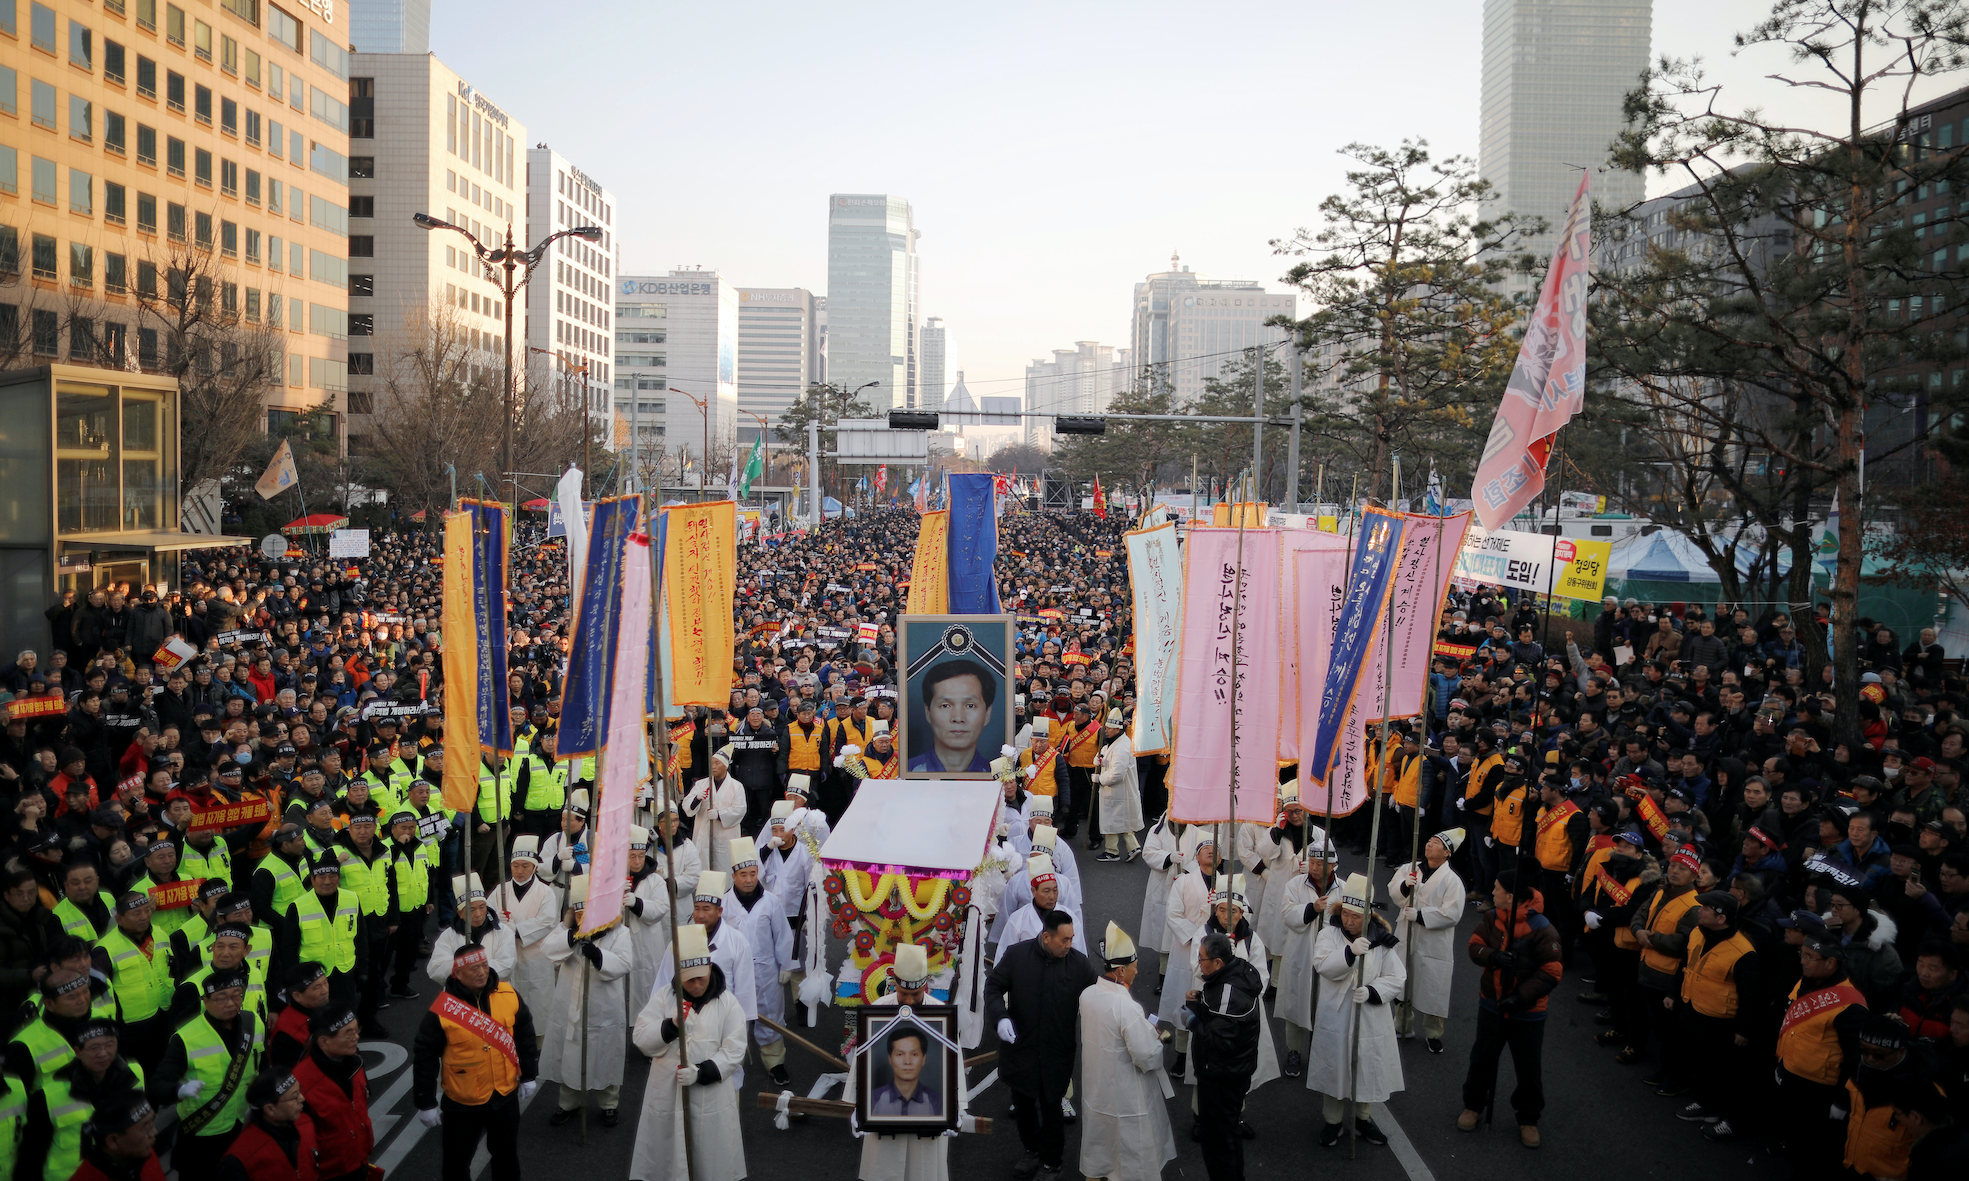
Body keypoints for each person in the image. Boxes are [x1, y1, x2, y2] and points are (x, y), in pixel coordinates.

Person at [985, 907, 1099, 1181]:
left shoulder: (1079, 964)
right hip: (1021, 1049)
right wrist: (1000, 1018)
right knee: (1023, 1106)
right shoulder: (1016, 955)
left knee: (1052, 1109)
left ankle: (1052, 1162)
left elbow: (1099, 995)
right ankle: (1032, 1150)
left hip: (1056, 1052)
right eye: (1064, 940)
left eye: (1072, 938)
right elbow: (993, 987)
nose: (1070, 945)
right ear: (1046, 937)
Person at [411, 942, 540, 1181]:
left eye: (483, 965)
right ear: (457, 974)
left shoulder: (508, 994)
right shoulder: (442, 1009)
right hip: (463, 1102)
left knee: (506, 1159)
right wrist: (425, 1101)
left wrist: (530, 1074)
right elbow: (425, 1054)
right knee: (456, 1165)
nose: (481, 972)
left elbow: (525, 1034)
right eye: (473, 969)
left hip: (504, 1095)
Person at [628, 924, 747, 1181]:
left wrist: (703, 1071)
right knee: (668, 1155)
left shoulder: (728, 1003)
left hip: (711, 1093)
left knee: (710, 1157)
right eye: (689, 979)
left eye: (700, 978)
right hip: (668, 1091)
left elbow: (735, 1049)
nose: (696, 984)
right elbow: (640, 1037)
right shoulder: (664, 998)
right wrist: (669, 1027)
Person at [1456, 877, 1563, 1149]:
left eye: (1498, 889)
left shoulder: (1543, 928)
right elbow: (1474, 947)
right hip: (1491, 1004)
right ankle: (1473, 1106)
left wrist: (1519, 997)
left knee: (1528, 1067)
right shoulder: (1492, 918)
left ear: (1512, 896)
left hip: (1528, 1013)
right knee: (1482, 1058)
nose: (1492, 892)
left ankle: (1528, 1119)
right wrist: (1493, 956)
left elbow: (1551, 972)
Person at [1308, 873, 1404, 1149]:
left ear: (1369, 916)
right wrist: (1349, 954)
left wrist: (1374, 992)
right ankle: (1333, 1121)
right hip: (1336, 1014)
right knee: (1335, 1065)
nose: (1349, 921)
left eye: (1356, 917)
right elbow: (1322, 965)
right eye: (1346, 914)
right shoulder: (1329, 934)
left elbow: (1396, 977)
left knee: (1367, 1066)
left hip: (1369, 1015)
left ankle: (1363, 1119)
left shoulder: (1383, 941)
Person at [847, 943, 957, 1181]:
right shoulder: (877, 1010)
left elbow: (953, 1065)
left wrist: (955, 1107)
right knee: (883, 1170)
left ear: (925, 984)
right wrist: (858, 1105)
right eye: (902, 993)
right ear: (894, 982)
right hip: (882, 1116)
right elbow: (862, 1060)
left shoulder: (941, 1015)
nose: (907, 1000)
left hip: (929, 1122)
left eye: (914, 995)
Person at [1078, 921, 1176, 1181]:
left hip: (1098, 1089)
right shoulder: (1126, 1007)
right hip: (1126, 1093)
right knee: (1131, 1150)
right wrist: (1156, 1041)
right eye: (1133, 968)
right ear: (1121, 970)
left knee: (1101, 1139)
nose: (1136, 972)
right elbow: (1146, 1056)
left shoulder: (1087, 995)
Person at [146, 969, 262, 1177]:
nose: (231, 1003)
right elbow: (157, 1086)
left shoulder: (253, 1023)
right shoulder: (186, 1037)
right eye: (221, 998)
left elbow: (263, 1063)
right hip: (204, 1130)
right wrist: (178, 1091)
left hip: (243, 1123)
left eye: (237, 995)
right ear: (205, 1001)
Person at [539, 874, 632, 1127]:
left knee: (606, 1055)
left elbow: (624, 963)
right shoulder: (568, 930)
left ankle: (609, 1104)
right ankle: (569, 1104)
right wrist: (572, 937)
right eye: (578, 912)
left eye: (587, 912)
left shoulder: (618, 933)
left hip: (604, 1008)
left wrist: (599, 956)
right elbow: (548, 950)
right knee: (572, 1056)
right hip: (571, 1005)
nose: (582, 917)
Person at [1671, 891, 1763, 1142]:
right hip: (1692, 1009)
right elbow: (1686, 966)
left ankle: (1714, 1110)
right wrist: (1673, 993)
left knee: (1717, 1067)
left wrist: (1743, 1030)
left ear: (1721, 918)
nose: (1699, 911)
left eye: (1705, 909)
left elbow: (1750, 996)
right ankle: (1703, 1103)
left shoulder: (1743, 952)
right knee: (1698, 1062)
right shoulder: (1697, 932)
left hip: (1719, 1020)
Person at [1184, 930, 1260, 1181]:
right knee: (1228, 1134)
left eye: (1202, 958)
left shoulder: (1229, 992)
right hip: (1229, 1072)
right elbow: (1218, 1018)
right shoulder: (1232, 974)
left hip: (1223, 1076)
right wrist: (1200, 1002)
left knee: (1217, 1143)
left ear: (1218, 962)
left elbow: (1220, 1041)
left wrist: (1193, 1021)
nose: (1198, 963)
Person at [722, 837, 797, 1087]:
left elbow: (783, 936)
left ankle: (775, 1062)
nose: (748, 879)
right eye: (743, 874)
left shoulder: (771, 902)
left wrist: (786, 966)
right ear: (734, 876)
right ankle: (732, 1065)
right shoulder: (723, 904)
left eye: (753, 873)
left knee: (770, 1016)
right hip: (734, 973)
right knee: (734, 1019)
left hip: (766, 970)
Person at [1391, 828, 1468, 1053]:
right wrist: (1406, 885)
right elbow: (1394, 892)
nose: (1429, 845)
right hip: (1406, 933)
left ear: (1447, 853)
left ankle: (1433, 1032)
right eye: (1429, 841)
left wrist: (1422, 916)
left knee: (1433, 986)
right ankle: (1402, 1024)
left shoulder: (1452, 881)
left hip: (1434, 940)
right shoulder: (1410, 868)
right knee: (1403, 980)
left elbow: (1452, 913)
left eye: (1436, 843)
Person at [289, 1006, 374, 1181]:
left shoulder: (356, 1062)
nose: (356, 1037)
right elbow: (299, 1140)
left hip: (360, 1159)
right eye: (348, 1033)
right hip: (330, 1171)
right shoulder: (300, 1083)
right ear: (324, 1042)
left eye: (356, 1030)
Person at [487, 836, 560, 1023]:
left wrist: (514, 929)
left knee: (536, 1005)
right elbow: (487, 914)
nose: (519, 871)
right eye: (515, 865)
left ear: (535, 867)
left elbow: (547, 922)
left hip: (535, 958)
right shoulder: (500, 890)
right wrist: (495, 920)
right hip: (506, 957)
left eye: (525, 866)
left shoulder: (546, 893)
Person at [215, 1070, 316, 1181]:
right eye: (294, 1097)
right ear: (270, 1109)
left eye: (300, 1091)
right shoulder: (239, 1160)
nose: (302, 1099)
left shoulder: (306, 1124)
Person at [907, 659, 996, 773]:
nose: (958, 718)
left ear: (987, 713)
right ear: (928, 712)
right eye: (945, 706)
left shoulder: (996, 776)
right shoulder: (909, 772)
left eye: (970, 705)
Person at [66, 1092, 164, 1181]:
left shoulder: (144, 1154)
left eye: (151, 1124)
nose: (154, 1132)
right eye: (146, 1129)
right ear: (113, 1141)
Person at [1092, 708, 1143, 862]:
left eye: (1108, 728)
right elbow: (1105, 756)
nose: (1105, 731)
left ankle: (1116, 850)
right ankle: (1118, 849)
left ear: (1116, 729)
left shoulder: (1121, 746)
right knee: (1114, 820)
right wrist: (1099, 759)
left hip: (1119, 790)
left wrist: (1100, 778)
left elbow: (1117, 773)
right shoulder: (1116, 743)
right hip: (1114, 792)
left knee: (1118, 820)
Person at [684, 749, 747, 871]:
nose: (713, 766)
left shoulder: (736, 786)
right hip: (704, 833)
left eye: (717, 763)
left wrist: (719, 814)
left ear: (725, 766)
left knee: (724, 866)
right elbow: (687, 807)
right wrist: (697, 799)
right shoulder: (701, 784)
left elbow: (740, 809)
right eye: (711, 763)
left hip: (725, 835)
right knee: (704, 866)